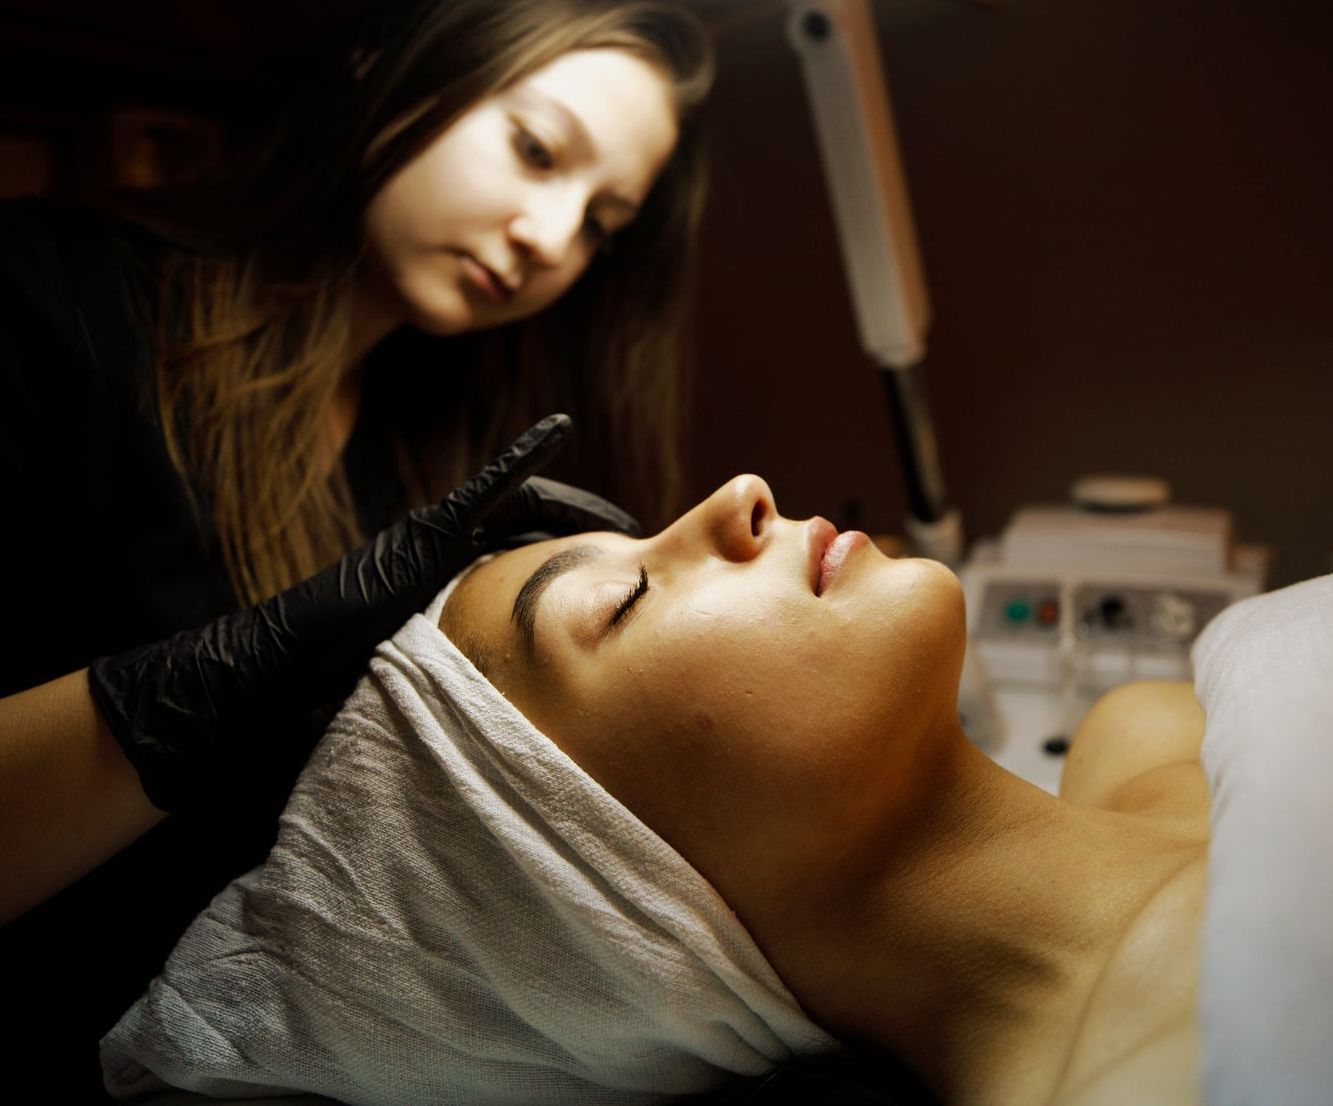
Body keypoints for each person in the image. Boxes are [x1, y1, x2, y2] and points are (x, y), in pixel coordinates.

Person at [0, 1, 714, 1097]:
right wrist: (206, 683)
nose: (550, 240)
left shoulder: (416, 467)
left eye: (601, 224)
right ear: (390, 60)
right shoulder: (45, 303)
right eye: (534, 148)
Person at [436, 474, 1212, 1105]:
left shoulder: (1150, 728)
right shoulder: (1153, 1076)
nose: (739, 494)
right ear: (615, 901)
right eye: (626, 597)